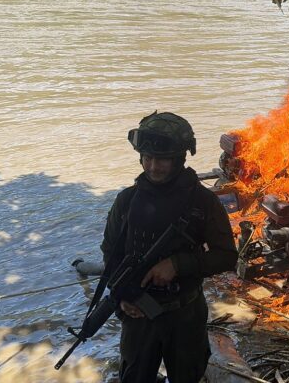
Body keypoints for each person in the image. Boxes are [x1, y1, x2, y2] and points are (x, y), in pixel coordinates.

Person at [100, 111, 237, 383]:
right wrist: (123, 297)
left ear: (179, 159)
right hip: (139, 317)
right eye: (146, 158)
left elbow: (226, 257)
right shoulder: (127, 201)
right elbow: (110, 254)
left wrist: (178, 265)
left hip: (184, 315)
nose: (152, 167)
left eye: (161, 159)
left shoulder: (203, 202)